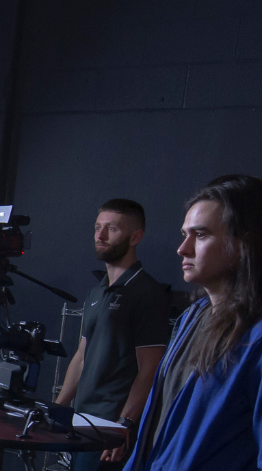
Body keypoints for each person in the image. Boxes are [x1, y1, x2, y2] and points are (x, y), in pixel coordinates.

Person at [123, 175, 262, 471]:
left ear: (244, 243)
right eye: (184, 234)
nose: (183, 248)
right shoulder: (191, 318)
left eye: (200, 235)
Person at [55, 199, 173, 471]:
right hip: (80, 421)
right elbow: (82, 356)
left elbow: (151, 368)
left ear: (136, 237)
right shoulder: (97, 292)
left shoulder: (147, 293)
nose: (101, 235)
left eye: (112, 228)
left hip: (111, 426)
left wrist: (123, 426)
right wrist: (58, 409)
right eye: (98, 227)